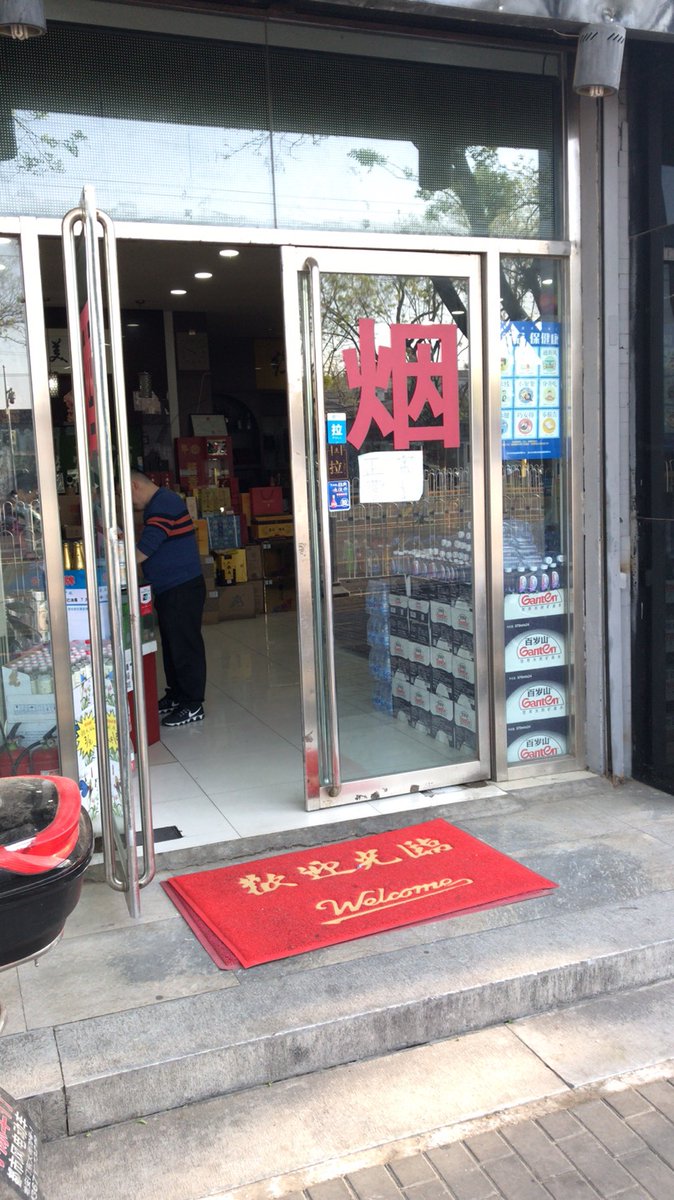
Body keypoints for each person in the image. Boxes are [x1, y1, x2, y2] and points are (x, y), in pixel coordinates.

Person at [130, 471, 206, 727]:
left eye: (125, 495)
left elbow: (148, 547)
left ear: (134, 485)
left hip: (182, 587)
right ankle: (176, 695)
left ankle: (193, 703)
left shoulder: (165, 503)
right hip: (169, 588)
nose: (129, 503)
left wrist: (120, 563)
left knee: (185, 645)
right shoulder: (159, 503)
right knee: (173, 645)